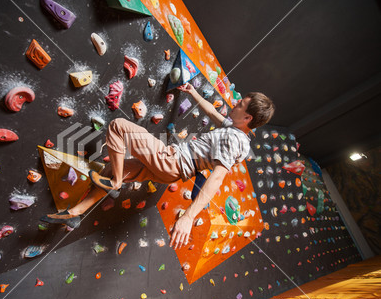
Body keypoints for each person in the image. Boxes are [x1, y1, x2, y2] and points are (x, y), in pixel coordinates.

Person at [41, 83, 275, 250]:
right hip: (172, 172)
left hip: (173, 161)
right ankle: (75, 213)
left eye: (241, 104)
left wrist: (189, 216)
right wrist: (193, 93)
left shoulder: (233, 140)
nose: (235, 103)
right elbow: (212, 112)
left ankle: (115, 183)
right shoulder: (234, 130)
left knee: (118, 126)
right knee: (114, 167)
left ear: (248, 119)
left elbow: (217, 178)